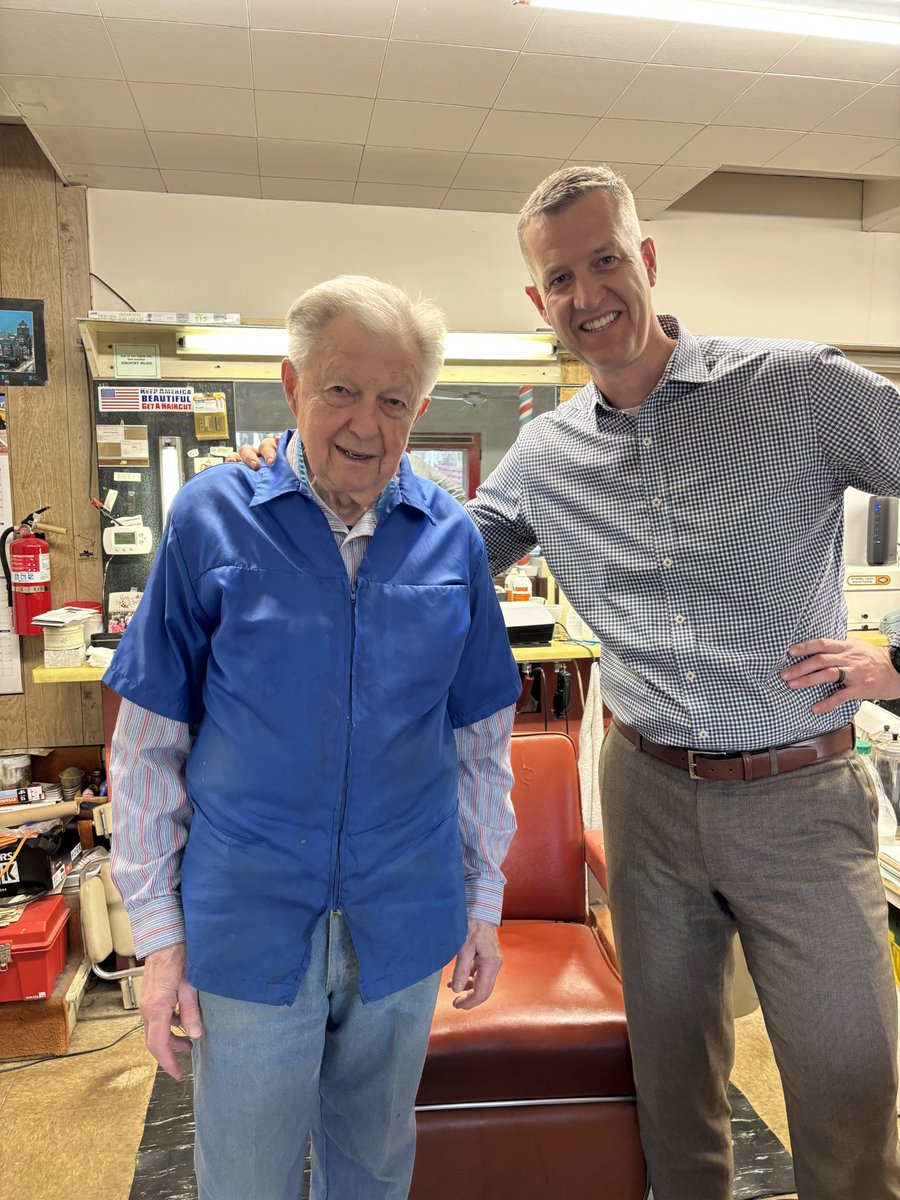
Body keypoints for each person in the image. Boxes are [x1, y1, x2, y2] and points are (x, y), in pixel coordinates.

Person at [240, 167, 900, 1200]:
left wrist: (895, 666)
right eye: (560, 277)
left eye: (605, 261)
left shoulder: (795, 387)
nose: (589, 294)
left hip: (802, 800)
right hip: (647, 802)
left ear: (646, 260)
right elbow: (423, 555)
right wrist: (277, 506)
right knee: (674, 1100)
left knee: (849, 1096)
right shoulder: (544, 456)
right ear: (538, 302)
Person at [105, 275, 521, 1200]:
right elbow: (146, 751)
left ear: (419, 410)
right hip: (248, 921)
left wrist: (484, 902)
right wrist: (160, 940)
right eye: (341, 389)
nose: (365, 424)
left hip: (402, 922)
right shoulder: (211, 521)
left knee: (373, 1170)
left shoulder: (452, 541)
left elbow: (480, 747)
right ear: (292, 386)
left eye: (394, 400)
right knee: (247, 1178)